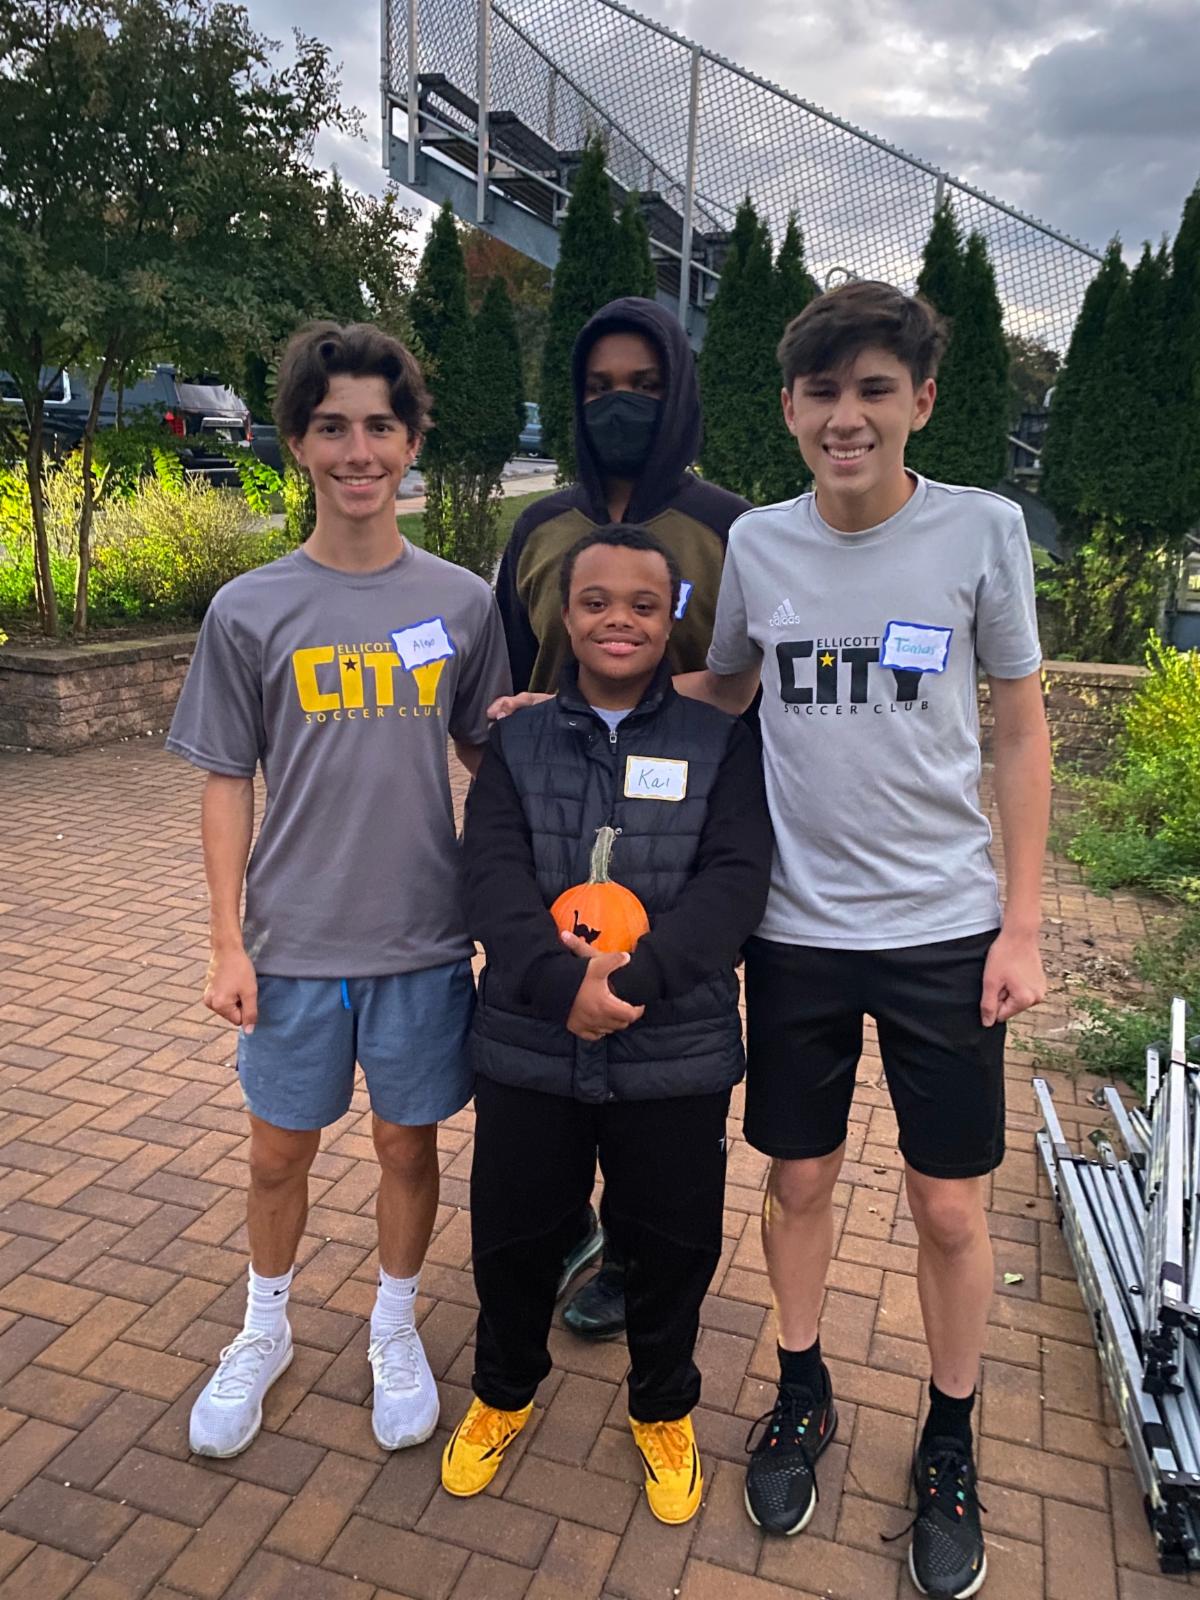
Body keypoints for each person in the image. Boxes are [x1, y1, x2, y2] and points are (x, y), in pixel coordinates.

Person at [676, 280, 1050, 1598]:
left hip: (946, 929)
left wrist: (1022, 924)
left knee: (949, 1207)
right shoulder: (761, 545)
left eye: (875, 390)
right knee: (797, 1183)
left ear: (921, 402)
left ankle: (949, 1435)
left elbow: (1020, 730)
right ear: (789, 409)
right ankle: (802, 1387)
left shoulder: (982, 531)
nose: (848, 416)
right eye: (823, 392)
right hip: (795, 931)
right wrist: (574, 706)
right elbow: (726, 687)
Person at [165, 321, 511, 1460]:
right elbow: (226, 781)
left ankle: (392, 1326)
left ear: (410, 443)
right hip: (294, 944)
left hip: (421, 940)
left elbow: (489, 756)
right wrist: (226, 942)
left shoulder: (461, 603)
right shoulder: (249, 608)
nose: (358, 451)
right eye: (331, 428)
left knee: (408, 1149)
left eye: (379, 426)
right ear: (297, 444)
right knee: (278, 1153)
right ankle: (263, 1328)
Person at [444, 525, 772, 1523]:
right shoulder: (519, 741)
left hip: (674, 1049)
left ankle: (663, 1407)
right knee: (513, 1237)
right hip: (530, 1045)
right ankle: (503, 1391)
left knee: (672, 1244)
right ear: (564, 614)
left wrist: (634, 981)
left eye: (641, 603)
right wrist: (560, 985)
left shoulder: (721, 742)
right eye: (594, 601)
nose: (617, 620)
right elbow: (489, 874)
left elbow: (735, 883)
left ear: (672, 618)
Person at [495, 294, 753, 1339]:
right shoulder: (539, 529)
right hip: (558, 833)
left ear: (678, 391)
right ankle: (566, 1224)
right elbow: (515, 685)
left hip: (677, 843)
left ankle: (637, 1258)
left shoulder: (729, 529)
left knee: (657, 1071)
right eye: (599, 388)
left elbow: (750, 680)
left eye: (643, 387)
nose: (620, 404)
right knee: (550, 1056)